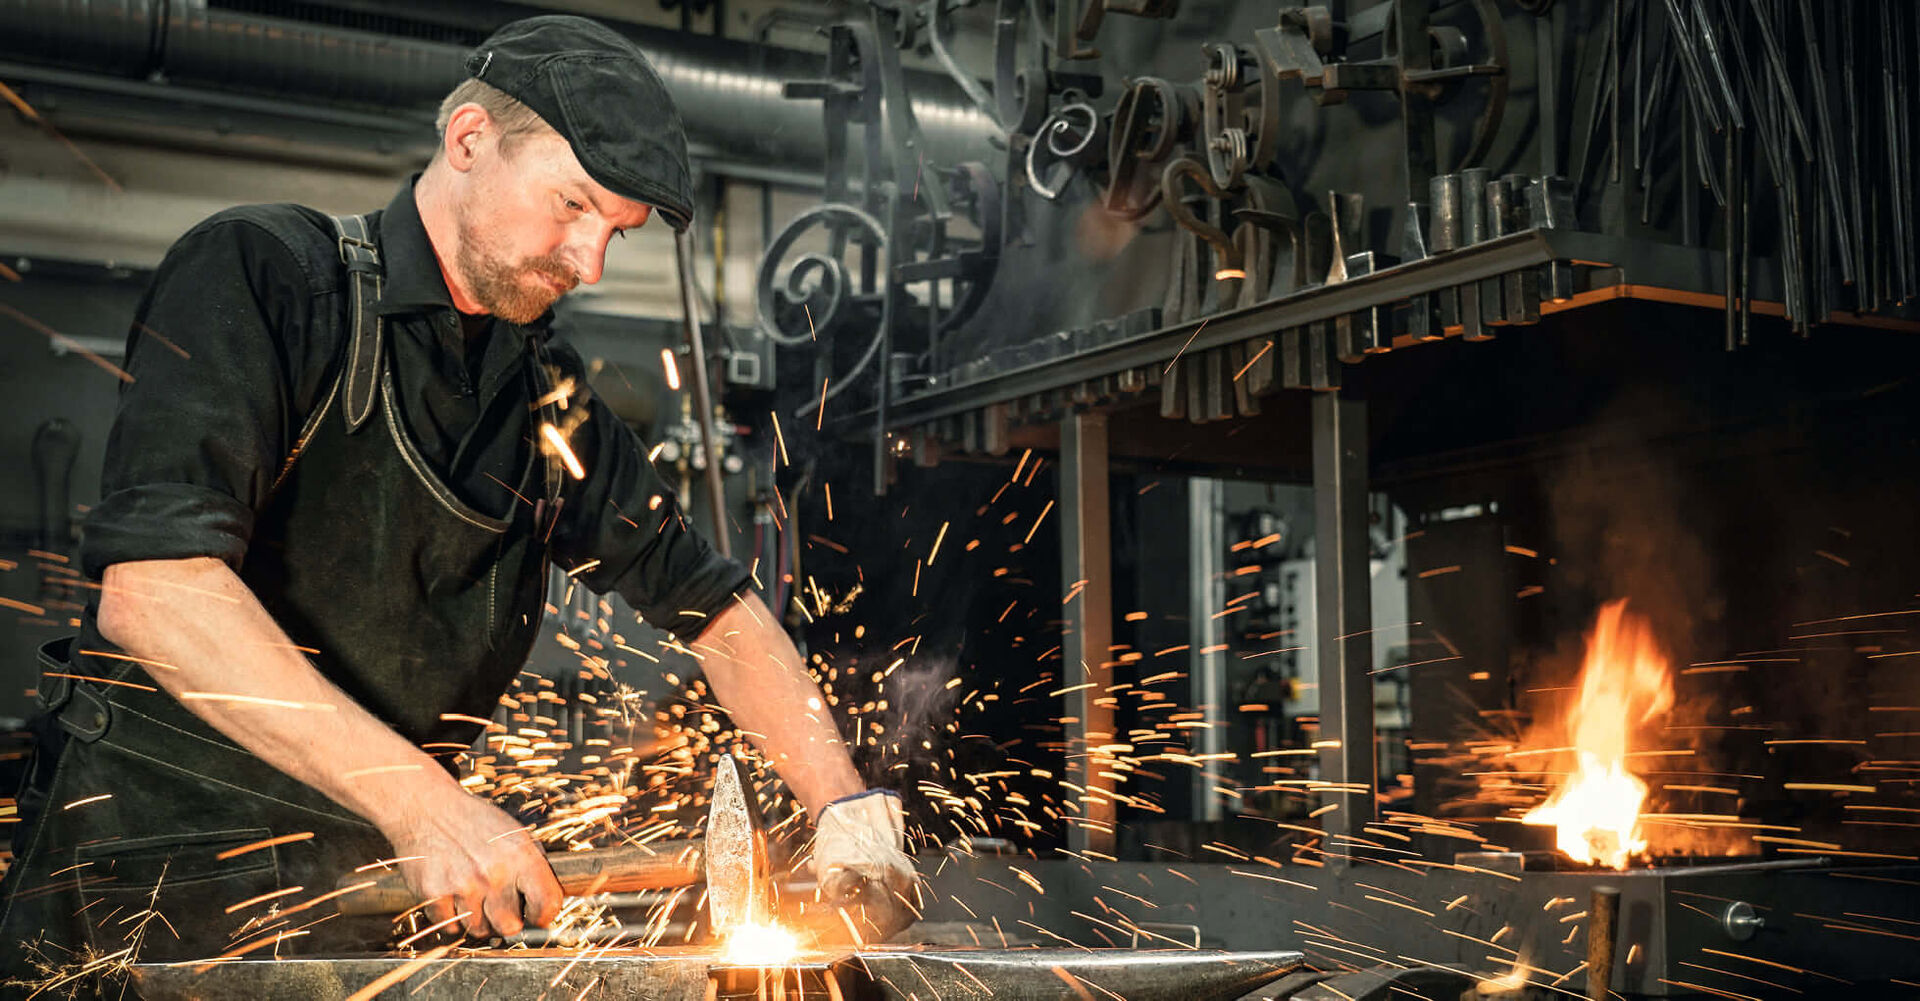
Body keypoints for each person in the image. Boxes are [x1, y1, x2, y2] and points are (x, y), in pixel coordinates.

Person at [0, 14, 912, 983]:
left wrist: (844, 808)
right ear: (470, 138)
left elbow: (717, 610)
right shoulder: (266, 278)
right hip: (142, 899)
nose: (590, 263)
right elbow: (157, 593)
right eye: (572, 205)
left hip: (354, 913)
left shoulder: (547, 402)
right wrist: (426, 803)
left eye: (616, 232)